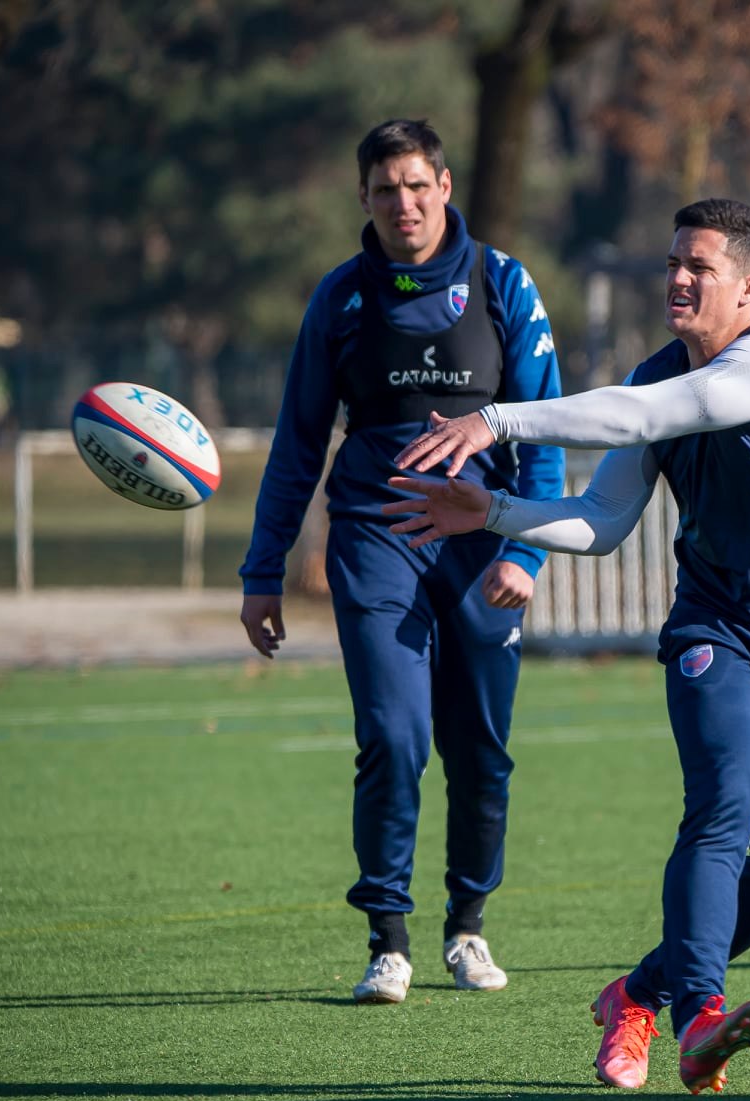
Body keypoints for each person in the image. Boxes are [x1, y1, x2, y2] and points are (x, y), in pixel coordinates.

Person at [384, 198, 750, 1094]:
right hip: (718, 632)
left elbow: (659, 411)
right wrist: (493, 512)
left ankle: (639, 994)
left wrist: (497, 422)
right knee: (723, 807)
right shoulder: (659, 380)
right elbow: (603, 520)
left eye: (701, 268)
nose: (680, 280)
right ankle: (698, 1014)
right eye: (673, 265)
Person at [238, 119, 565, 1003]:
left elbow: (546, 426)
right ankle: (388, 939)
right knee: (392, 735)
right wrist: (262, 571)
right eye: (386, 190)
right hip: (376, 542)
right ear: (364, 199)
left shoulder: (503, 285)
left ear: (446, 186)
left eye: (418, 186)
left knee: (481, 752)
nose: (404, 204)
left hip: (482, 543)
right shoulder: (341, 299)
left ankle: (468, 928)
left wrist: (526, 552)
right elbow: (297, 444)